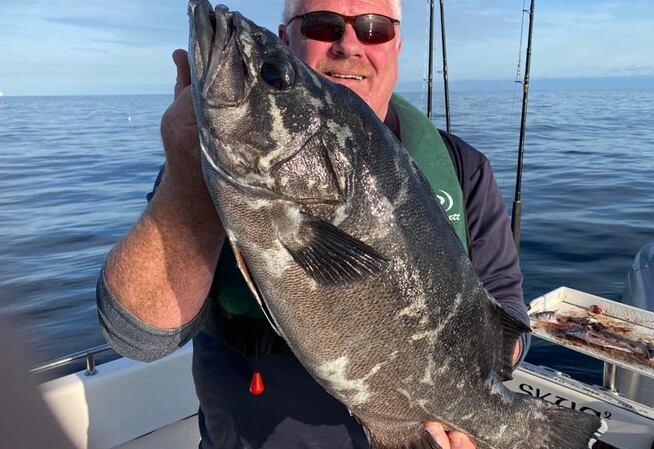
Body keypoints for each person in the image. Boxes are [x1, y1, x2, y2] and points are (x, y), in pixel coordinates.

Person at [97, 0, 530, 447]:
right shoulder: (199, 169)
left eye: (374, 29)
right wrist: (188, 176)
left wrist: (468, 403)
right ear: (288, 40)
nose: (349, 45)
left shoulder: (464, 169)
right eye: (322, 26)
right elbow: (138, 338)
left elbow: (508, 319)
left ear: (397, 46)